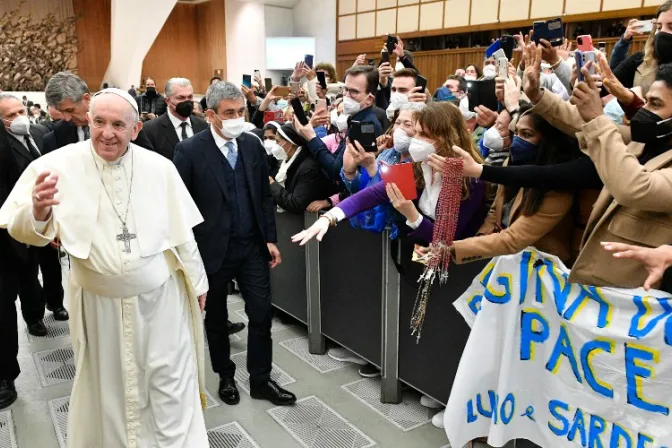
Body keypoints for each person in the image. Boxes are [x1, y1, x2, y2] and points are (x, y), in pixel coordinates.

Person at [0, 88, 209, 446]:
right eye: (98, 122)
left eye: (117, 124)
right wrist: (37, 212)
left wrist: (198, 282)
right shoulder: (56, 165)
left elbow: (181, 236)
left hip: (159, 305)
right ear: (88, 120)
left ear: (135, 128)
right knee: (109, 389)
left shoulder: (160, 168)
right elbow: (22, 231)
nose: (106, 133)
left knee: (167, 383)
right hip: (98, 308)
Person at [173, 81, 296, 407]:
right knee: (215, 317)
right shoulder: (189, 151)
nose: (237, 118)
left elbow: (263, 197)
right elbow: (179, 206)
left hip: (252, 247)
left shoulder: (253, 145)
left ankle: (261, 379)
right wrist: (187, 255)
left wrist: (270, 239)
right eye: (229, 113)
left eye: (240, 111)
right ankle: (225, 375)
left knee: (261, 313)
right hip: (211, 249)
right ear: (211, 114)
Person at [523, 42, 672, 288]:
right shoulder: (645, 141)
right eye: (645, 102)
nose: (643, 111)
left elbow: (634, 186)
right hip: (596, 285)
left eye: (655, 105)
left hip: (635, 303)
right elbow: (581, 124)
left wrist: (596, 117)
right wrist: (537, 95)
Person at [292, 102, 487, 246]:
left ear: (447, 137)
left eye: (423, 134)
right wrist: (330, 217)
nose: (415, 139)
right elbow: (373, 194)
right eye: (416, 132)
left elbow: (446, 238)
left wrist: (411, 214)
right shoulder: (417, 167)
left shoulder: (471, 179)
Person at [297, 65, 384, 183]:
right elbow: (337, 158)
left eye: (354, 92)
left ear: (369, 99)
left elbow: (337, 171)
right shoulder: (356, 119)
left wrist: (311, 137)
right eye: (346, 89)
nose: (346, 96)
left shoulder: (365, 127)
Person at [42, 72, 155, 154]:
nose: (66, 118)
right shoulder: (56, 137)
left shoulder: (123, 120)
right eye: (62, 112)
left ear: (86, 98)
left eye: (70, 110)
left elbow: (148, 160)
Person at [268, 123, 330, 214]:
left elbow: (296, 204)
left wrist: (272, 185)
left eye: (278, 141)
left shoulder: (308, 168)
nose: (275, 145)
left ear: (290, 143)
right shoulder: (284, 162)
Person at [613, 0, 672, 93]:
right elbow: (611, 82)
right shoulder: (640, 59)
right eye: (659, 27)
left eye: (671, 27)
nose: (662, 32)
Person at [143, 78, 208, 160]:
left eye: (190, 97)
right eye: (181, 98)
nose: (187, 101)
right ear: (167, 100)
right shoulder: (149, 130)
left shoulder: (203, 126)